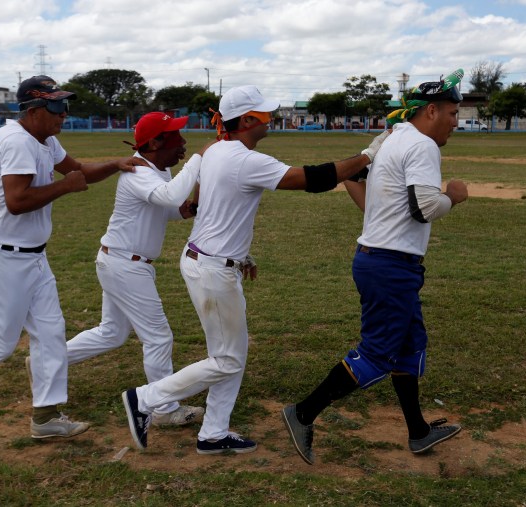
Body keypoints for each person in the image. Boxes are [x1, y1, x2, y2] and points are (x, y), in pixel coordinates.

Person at [122, 85, 389, 455]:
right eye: (265, 114)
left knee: (231, 354)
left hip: (212, 261)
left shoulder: (220, 150)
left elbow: (220, 210)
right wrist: (365, 157)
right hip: (212, 268)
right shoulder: (243, 159)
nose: (271, 119)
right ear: (247, 120)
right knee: (227, 358)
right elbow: (311, 180)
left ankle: (213, 433)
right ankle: (145, 398)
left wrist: (239, 256)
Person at [0, 75, 145, 443]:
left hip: (32, 258)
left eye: (64, 106)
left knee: (51, 334)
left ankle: (46, 416)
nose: (63, 114)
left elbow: (78, 171)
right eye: (56, 107)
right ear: (33, 110)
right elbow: (17, 201)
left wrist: (117, 163)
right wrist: (65, 187)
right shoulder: (17, 140)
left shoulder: (45, 140)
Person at [282, 69, 469, 465]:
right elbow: (425, 209)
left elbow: (368, 194)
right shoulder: (420, 145)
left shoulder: (394, 139)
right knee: (379, 353)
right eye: (453, 113)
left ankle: (418, 432)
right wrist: (454, 195)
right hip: (389, 266)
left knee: (408, 346)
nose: (457, 122)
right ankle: (302, 413)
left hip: (382, 261)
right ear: (431, 110)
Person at [28, 112, 209, 427]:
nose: (183, 142)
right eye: (176, 136)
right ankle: (163, 410)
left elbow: (165, 208)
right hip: (126, 265)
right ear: (154, 142)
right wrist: (198, 159)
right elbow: (168, 195)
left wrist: (186, 211)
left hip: (121, 261)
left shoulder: (157, 170)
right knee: (158, 337)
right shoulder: (141, 173)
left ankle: (45, 361)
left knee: (111, 334)